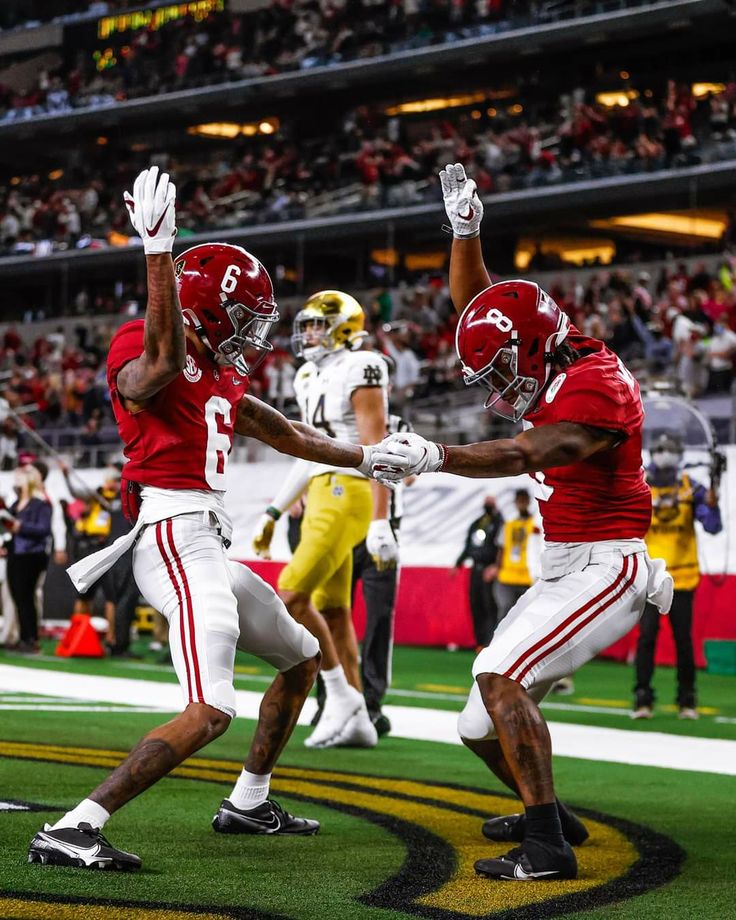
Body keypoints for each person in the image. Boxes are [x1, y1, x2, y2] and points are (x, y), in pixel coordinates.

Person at [29, 166, 400, 872]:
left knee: (302, 658)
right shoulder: (144, 345)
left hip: (205, 538)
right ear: (209, 307)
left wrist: (375, 459)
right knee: (210, 710)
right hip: (171, 537)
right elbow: (161, 362)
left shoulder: (220, 372)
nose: (256, 335)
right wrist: (158, 249)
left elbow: (291, 435)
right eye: (247, 317)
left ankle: (249, 801)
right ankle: (75, 826)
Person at [366, 162, 673, 883]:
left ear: (535, 350)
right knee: (476, 724)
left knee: (499, 674)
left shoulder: (596, 388)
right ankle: (552, 815)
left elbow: (529, 449)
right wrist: (467, 232)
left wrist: (436, 454)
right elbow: (485, 307)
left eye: (504, 370)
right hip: (566, 563)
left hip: (609, 563)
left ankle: (547, 849)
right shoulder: (551, 352)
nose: (500, 386)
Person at [251, 292, 397, 749]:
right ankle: (358, 720)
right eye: (307, 326)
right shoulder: (308, 373)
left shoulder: (363, 365)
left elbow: (377, 448)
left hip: (349, 490)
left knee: (290, 596)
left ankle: (339, 696)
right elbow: (309, 451)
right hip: (320, 491)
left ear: (344, 327)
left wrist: (381, 520)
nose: (310, 334)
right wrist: (276, 510)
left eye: (318, 325)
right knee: (334, 611)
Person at [632, 433, 722, 720]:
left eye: (670, 449)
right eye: (660, 449)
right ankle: (642, 699)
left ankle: (687, 701)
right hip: (650, 579)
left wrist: (712, 503)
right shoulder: (642, 486)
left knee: (683, 640)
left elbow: (712, 526)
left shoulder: (691, 488)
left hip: (682, 578)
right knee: (646, 638)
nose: (664, 454)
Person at [5, 465, 52, 654]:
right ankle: (23, 637)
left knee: (26, 596)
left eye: (20, 476)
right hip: (15, 553)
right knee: (17, 596)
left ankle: (31, 639)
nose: (16, 478)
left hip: (32, 555)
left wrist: (20, 526)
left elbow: (44, 529)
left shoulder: (40, 504)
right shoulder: (15, 503)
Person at [454, 496, 503, 647]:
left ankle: (490, 641)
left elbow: (502, 548)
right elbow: (469, 545)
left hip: (489, 570)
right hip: (475, 568)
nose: (488, 506)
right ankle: (479, 642)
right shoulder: (477, 523)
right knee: (476, 604)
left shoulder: (499, 523)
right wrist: (458, 563)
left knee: (490, 606)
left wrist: (496, 566)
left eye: (490, 504)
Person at [493, 489, 538, 627]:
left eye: (524, 500)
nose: (522, 504)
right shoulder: (509, 525)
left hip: (528, 579)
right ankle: (498, 644)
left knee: (527, 616)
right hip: (507, 578)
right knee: (505, 610)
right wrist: (496, 568)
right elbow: (501, 549)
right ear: (515, 503)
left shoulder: (535, 524)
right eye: (520, 500)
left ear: (529, 502)